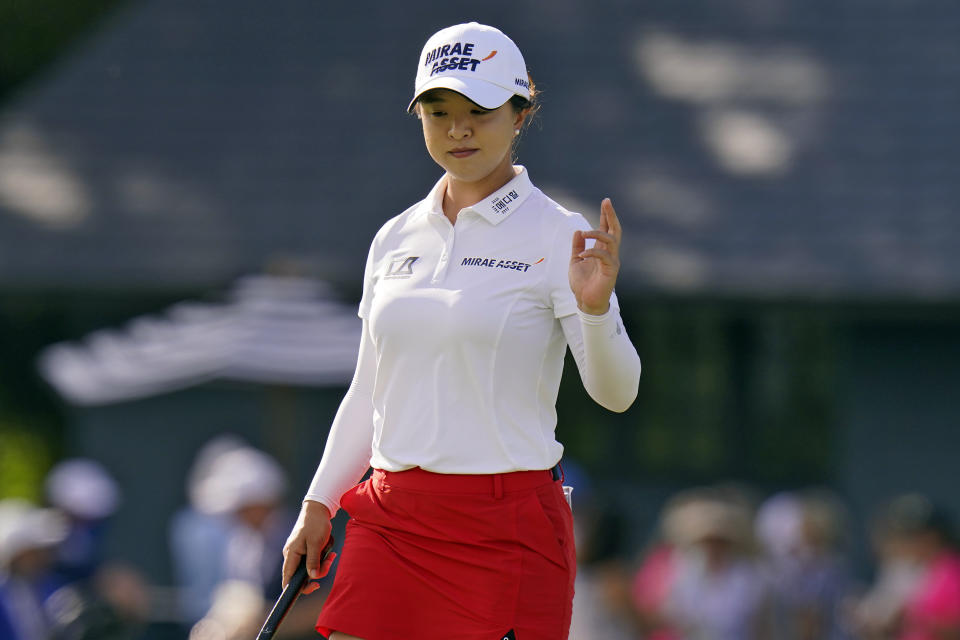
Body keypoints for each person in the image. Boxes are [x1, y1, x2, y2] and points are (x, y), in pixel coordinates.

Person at [282, 21, 641, 640]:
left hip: (507, 528)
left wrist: (595, 308)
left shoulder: (560, 233)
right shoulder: (395, 237)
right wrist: (319, 501)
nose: (458, 129)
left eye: (480, 110)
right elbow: (371, 388)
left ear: (520, 113)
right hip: (391, 517)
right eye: (439, 111)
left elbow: (618, 394)